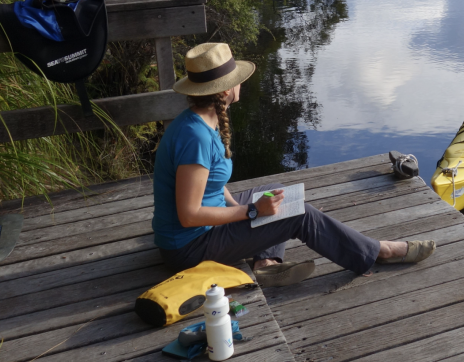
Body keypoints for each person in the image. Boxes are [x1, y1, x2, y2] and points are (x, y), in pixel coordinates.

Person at [152, 42, 434, 286]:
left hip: (200, 232)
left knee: (276, 192)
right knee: (298, 214)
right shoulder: (195, 137)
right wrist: (251, 211)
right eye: (236, 79)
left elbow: (213, 185)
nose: (241, 84)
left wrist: (248, 208)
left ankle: (265, 265)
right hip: (189, 249)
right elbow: (189, 215)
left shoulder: (205, 120)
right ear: (224, 91)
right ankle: (378, 251)